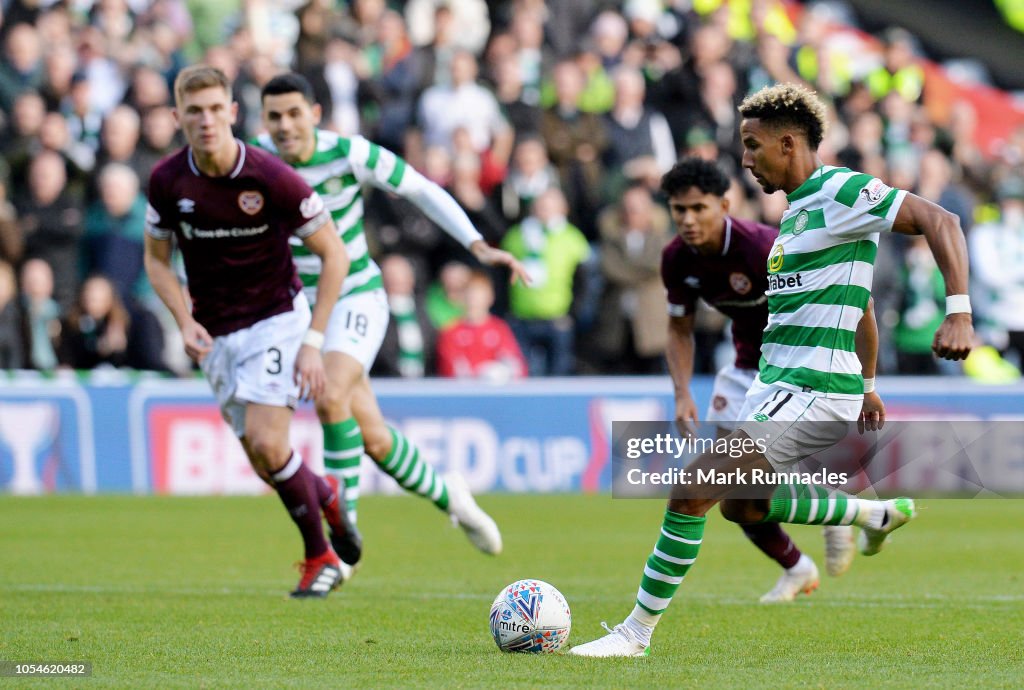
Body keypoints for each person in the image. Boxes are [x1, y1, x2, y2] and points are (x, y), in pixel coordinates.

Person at [571, 82, 973, 656]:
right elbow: (858, 303)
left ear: (788, 143)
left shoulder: (841, 189)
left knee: (691, 488)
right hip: (774, 388)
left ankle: (634, 635)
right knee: (744, 504)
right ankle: (873, 514)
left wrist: (958, 314)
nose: (745, 159)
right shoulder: (797, 215)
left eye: (752, 145)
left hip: (811, 390)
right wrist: (870, 384)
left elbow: (942, 220)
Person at [256, 72, 530, 561]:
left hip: (356, 295)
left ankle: (343, 540)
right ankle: (452, 497)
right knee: (376, 439)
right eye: (274, 115)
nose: (285, 124)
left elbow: (422, 190)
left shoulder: (349, 152)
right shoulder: (255, 159)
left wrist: (475, 244)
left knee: (330, 392)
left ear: (315, 115)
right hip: (300, 305)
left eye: (294, 113)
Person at [143, 65, 357, 599]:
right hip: (215, 335)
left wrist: (313, 340)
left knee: (268, 441)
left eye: (216, 109)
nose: (207, 120)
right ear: (177, 117)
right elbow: (156, 260)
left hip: (276, 322)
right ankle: (325, 493)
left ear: (233, 114)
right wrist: (184, 320)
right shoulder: (168, 181)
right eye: (194, 111)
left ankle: (319, 558)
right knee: (266, 463)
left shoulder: (270, 176)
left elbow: (335, 255)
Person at [656, 157, 888, 602]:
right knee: (730, 493)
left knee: (723, 485)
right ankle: (800, 564)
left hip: (799, 372)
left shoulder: (765, 246)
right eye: (678, 210)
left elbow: (860, 303)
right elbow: (679, 327)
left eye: (698, 208)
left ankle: (844, 512)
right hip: (745, 371)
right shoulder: (675, 259)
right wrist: (682, 392)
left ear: (723, 205)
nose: (687, 220)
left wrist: (866, 382)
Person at [436, 270, 526, 381]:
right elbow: (450, 369)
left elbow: (515, 365)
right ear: (461, 296)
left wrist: (499, 372)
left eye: (479, 293)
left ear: (490, 296)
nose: (474, 298)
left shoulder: (500, 328)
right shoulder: (451, 332)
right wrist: (480, 374)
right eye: (470, 292)